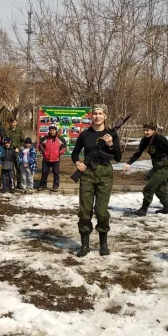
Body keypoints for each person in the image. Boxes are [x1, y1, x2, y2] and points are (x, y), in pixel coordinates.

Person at [71, 105, 122, 257]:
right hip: (87, 174)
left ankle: (103, 244)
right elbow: (75, 153)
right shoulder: (85, 134)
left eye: (100, 114)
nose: (97, 116)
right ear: (91, 116)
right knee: (85, 211)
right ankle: (85, 245)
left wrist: (111, 144)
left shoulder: (111, 134)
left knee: (101, 211)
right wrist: (77, 163)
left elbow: (118, 157)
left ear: (105, 116)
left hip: (105, 174)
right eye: (95, 113)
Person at [123, 123, 168, 216]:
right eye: (144, 130)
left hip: (165, 165)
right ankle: (167, 209)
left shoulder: (159, 139)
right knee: (159, 188)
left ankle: (143, 210)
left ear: (153, 130)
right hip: (156, 166)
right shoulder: (144, 140)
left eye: (148, 130)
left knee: (149, 187)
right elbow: (138, 153)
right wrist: (129, 163)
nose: (145, 132)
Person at [38, 124, 67, 191]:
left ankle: (55, 186)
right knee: (44, 172)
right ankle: (43, 185)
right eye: (51, 130)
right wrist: (44, 153)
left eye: (53, 130)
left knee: (56, 173)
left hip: (56, 159)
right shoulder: (45, 138)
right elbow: (40, 146)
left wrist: (59, 153)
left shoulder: (60, 138)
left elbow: (64, 147)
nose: (52, 132)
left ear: (55, 130)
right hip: (46, 159)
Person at [5, 118, 25, 189]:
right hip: (10, 151)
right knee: (9, 168)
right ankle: (10, 183)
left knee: (18, 167)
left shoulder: (19, 130)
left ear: (16, 122)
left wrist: (19, 148)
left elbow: (23, 141)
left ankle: (19, 183)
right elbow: (5, 140)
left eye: (14, 122)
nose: (13, 124)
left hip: (17, 151)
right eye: (11, 122)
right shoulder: (7, 131)